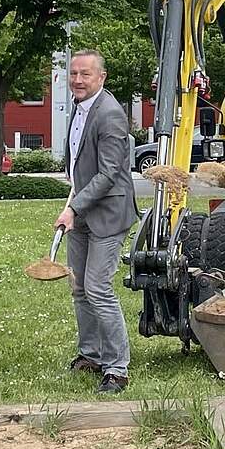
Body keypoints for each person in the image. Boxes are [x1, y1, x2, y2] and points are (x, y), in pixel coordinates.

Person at [57, 49, 138, 395]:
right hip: (83, 209)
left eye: (85, 74)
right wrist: (73, 202)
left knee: (98, 288)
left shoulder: (110, 115)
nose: (77, 80)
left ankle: (117, 368)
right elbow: (79, 164)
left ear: (101, 78)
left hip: (108, 212)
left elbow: (108, 174)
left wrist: (75, 208)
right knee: (79, 287)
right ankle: (91, 354)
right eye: (74, 73)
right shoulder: (79, 108)